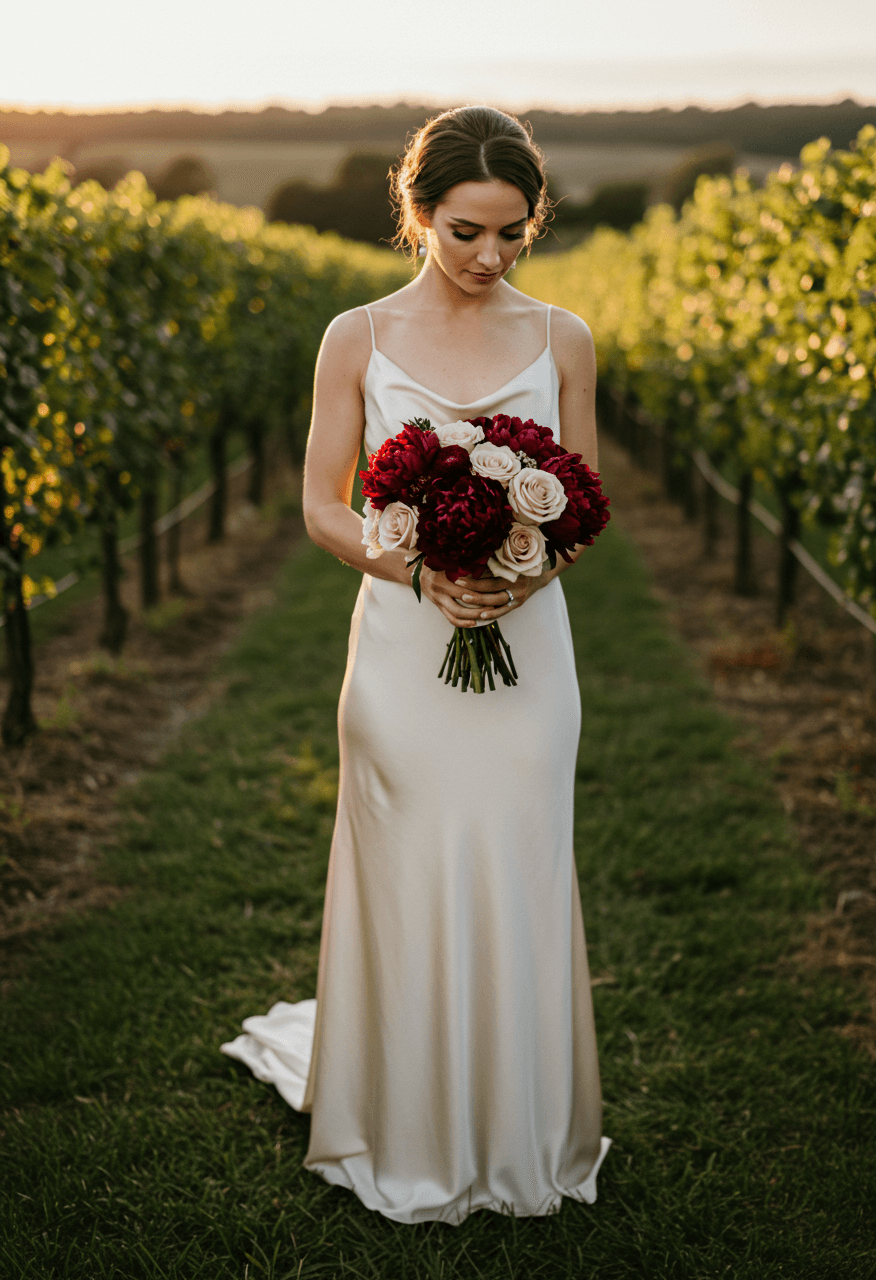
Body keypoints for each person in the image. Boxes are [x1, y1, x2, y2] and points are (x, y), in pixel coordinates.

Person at [221, 105, 611, 1225]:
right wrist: (414, 569)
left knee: (518, 859)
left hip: (529, 655)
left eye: (512, 233)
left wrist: (527, 568)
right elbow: (316, 503)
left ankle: (518, 1130)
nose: (490, 256)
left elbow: (582, 503)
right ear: (416, 211)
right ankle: (407, 1122)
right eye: (465, 231)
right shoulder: (355, 334)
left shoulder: (563, 337)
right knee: (408, 870)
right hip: (399, 653)